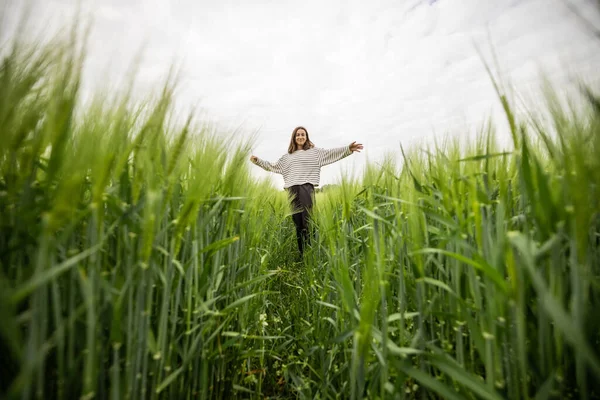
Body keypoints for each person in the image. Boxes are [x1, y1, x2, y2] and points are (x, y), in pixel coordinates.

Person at [250, 126, 363, 255]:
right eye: (297, 135)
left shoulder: (315, 153)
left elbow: (331, 153)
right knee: (297, 222)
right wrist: (258, 161)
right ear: (294, 138)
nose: (300, 137)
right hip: (292, 190)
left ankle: (310, 252)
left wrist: (348, 149)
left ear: (306, 137)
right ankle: (302, 253)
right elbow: (272, 166)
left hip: (306, 188)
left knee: (307, 221)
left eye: (303, 134)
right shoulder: (287, 157)